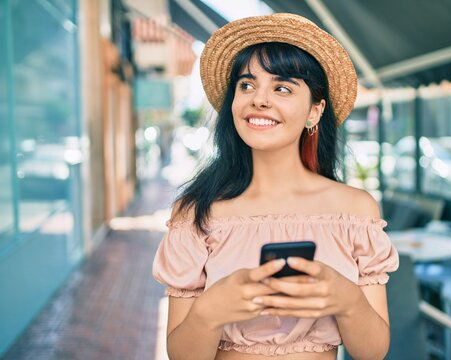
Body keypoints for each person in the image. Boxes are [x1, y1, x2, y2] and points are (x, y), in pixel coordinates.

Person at [153, 13, 399, 360]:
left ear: (315, 111)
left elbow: (372, 353)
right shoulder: (196, 212)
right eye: (246, 85)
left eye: (282, 87)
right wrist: (210, 311)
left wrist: (348, 301)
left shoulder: (356, 211)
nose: (259, 99)